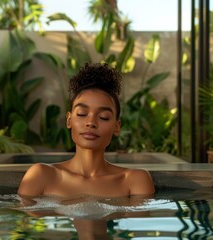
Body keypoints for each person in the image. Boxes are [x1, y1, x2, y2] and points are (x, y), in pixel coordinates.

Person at [18, 63, 155, 197]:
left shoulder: (134, 180)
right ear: (69, 120)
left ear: (116, 127)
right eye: (82, 114)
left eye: (103, 117)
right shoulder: (41, 175)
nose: (91, 123)